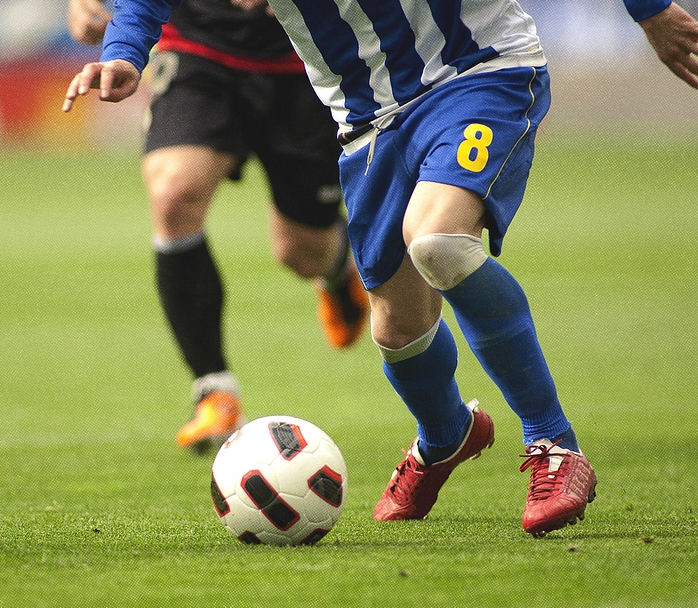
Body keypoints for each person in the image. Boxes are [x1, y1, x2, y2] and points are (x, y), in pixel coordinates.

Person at [63, 0, 698, 536]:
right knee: (396, 328)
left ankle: (554, 444)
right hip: (367, 121)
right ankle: (445, 435)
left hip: (476, 71)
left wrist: (648, 11)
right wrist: (125, 51)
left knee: (437, 240)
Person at [64, 0, 369, 454]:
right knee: (172, 193)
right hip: (196, 46)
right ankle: (214, 391)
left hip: (307, 56)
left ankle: (336, 264)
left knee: (300, 252)